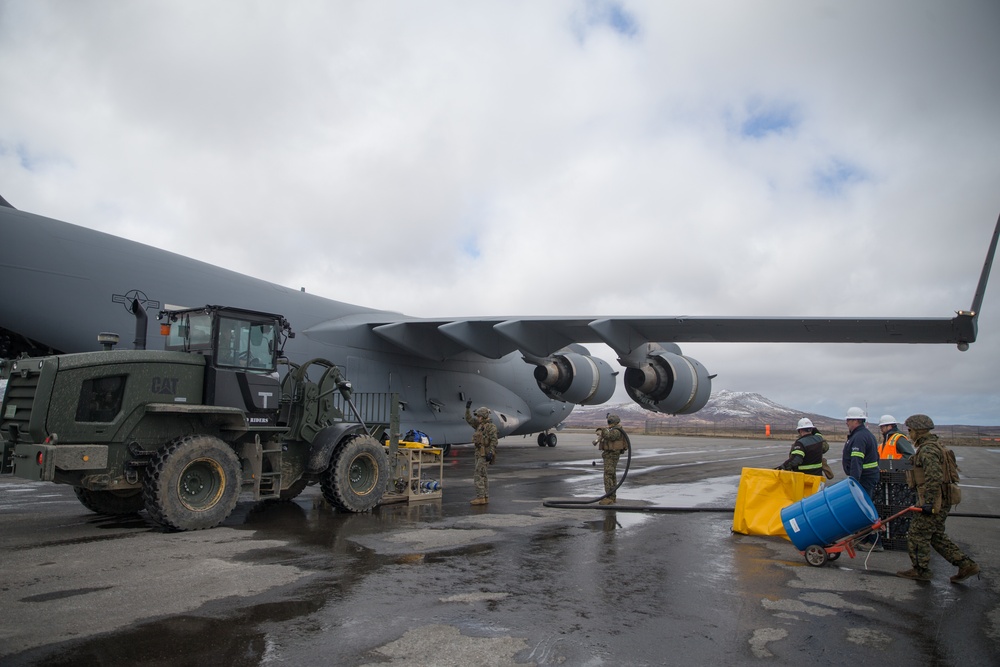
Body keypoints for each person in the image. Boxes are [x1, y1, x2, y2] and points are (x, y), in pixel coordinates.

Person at [896, 414, 980, 583]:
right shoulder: (934, 446)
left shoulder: (928, 450)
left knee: (917, 534)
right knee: (935, 536)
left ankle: (921, 570)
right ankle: (966, 565)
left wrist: (929, 502)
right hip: (941, 499)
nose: (909, 434)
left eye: (910, 430)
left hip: (935, 500)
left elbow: (933, 477)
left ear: (918, 431)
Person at [842, 407, 880, 499]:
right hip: (868, 477)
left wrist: (853, 482)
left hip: (864, 478)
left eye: (848, 420)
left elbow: (856, 461)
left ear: (856, 421)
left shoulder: (859, 437)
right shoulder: (865, 434)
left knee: (862, 504)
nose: (846, 423)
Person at [465, 400, 498, 506]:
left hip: (485, 454)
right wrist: (467, 409)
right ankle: (485, 497)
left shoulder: (491, 427)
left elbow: (494, 440)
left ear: (483, 416)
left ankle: (480, 497)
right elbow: (469, 420)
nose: (477, 418)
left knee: (478, 475)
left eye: (479, 416)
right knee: (483, 475)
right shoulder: (479, 425)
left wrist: (491, 452)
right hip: (479, 453)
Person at [593, 413, 628, 505]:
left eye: (609, 421)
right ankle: (611, 497)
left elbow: (610, 436)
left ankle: (609, 497)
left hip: (612, 455)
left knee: (608, 475)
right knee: (611, 475)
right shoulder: (613, 429)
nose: (608, 423)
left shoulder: (617, 430)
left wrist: (602, 430)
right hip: (609, 454)